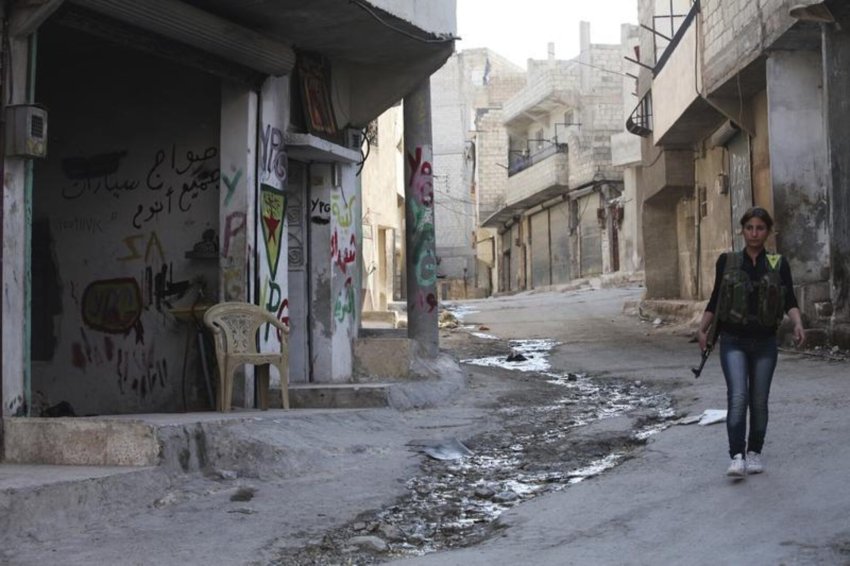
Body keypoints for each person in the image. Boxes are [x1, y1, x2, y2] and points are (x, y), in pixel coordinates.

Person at [697, 206, 805, 478]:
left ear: (768, 232)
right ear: (742, 230)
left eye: (760, 228)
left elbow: (789, 299)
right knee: (737, 397)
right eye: (749, 228)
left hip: (765, 342)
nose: (754, 233)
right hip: (733, 339)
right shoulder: (728, 261)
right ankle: (737, 455)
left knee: (759, 400)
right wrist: (703, 329)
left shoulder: (777, 263)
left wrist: (797, 322)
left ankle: (754, 452)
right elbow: (715, 298)